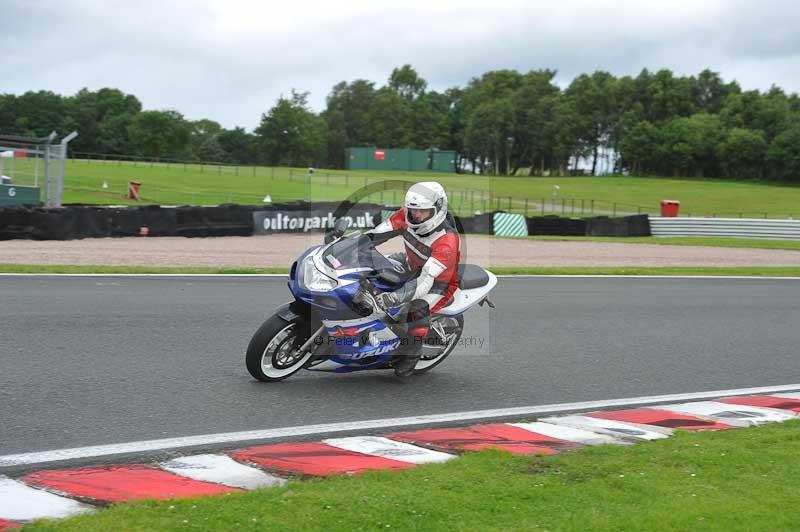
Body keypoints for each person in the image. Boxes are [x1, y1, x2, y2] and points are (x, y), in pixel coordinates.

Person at [365, 181, 461, 377]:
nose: (416, 215)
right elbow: (375, 235)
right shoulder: (405, 216)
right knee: (369, 273)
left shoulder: (447, 241)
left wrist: (393, 298)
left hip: (438, 283)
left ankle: (411, 354)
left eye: (423, 211)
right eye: (413, 210)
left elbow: (425, 281)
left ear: (438, 209)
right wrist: (349, 245)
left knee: (414, 311)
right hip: (411, 264)